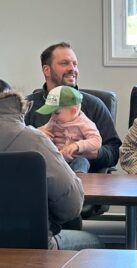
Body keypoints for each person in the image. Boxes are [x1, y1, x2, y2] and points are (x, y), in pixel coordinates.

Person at [0, 79, 103, 250]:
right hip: (33, 247)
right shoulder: (34, 140)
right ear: (11, 102)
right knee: (95, 243)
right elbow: (71, 207)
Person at [25, 42, 121, 173]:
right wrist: (33, 138)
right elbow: (10, 146)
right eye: (64, 63)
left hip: (84, 183)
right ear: (46, 70)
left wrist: (88, 151)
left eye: (75, 64)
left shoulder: (94, 105)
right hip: (39, 177)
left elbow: (114, 152)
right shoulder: (26, 106)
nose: (72, 69)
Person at [37, 85, 102, 173]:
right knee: (41, 160)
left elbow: (96, 140)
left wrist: (77, 146)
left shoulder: (84, 123)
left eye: (56, 113)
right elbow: (44, 129)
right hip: (57, 158)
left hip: (74, 158)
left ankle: (78, 179)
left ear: (73, 110)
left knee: (82, 162)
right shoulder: (54, 120)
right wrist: (40, 133)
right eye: (51, 113)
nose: (53, 116)